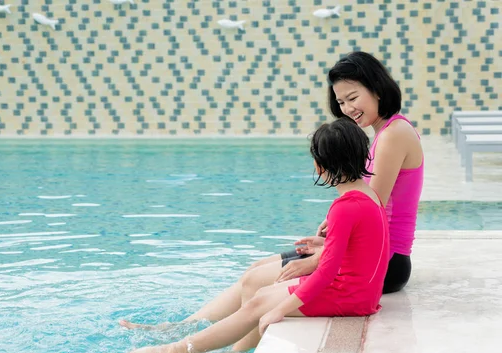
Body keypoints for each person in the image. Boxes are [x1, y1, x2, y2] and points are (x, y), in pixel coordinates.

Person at [119, 51, 424, 337]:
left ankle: (205, 338)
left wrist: (322, 256)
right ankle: (187, 328)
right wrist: (327, 242)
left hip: (385, 261)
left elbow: (373, 207)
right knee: (255, 270)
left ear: (377, 89)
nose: (347, 109)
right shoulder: (385, 132)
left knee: (256, 280)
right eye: (341, 102)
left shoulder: (393, 135)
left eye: (353, 97)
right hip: (373, 252)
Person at [124, 118, 390, 353]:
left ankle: (175, 352)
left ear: (319, 167)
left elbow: (326, 272)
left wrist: (280, 310)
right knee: (260, 295)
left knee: (260, 304)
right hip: (360, 293)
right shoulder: (368, 195)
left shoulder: (344, 207)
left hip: (349, 296)